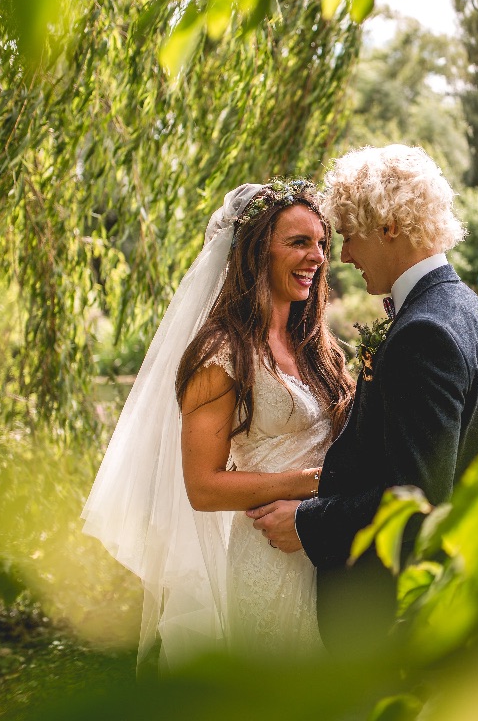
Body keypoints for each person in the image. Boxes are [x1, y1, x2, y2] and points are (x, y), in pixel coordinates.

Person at [246, 144, 478, 652]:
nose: (343, 257)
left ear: (389, 226)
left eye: (350, 236)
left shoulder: (424, 333)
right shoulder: (473, 314)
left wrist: (308, 522)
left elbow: (417, 498)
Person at [82, 179, 353, 670]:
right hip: (271, 555)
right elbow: (203, 487)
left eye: (321, 243)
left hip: (327, 550)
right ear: (255, 252)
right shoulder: (220, 352)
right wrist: (314, 483)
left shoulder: (315, 345)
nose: (316, 256)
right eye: (298, 242)